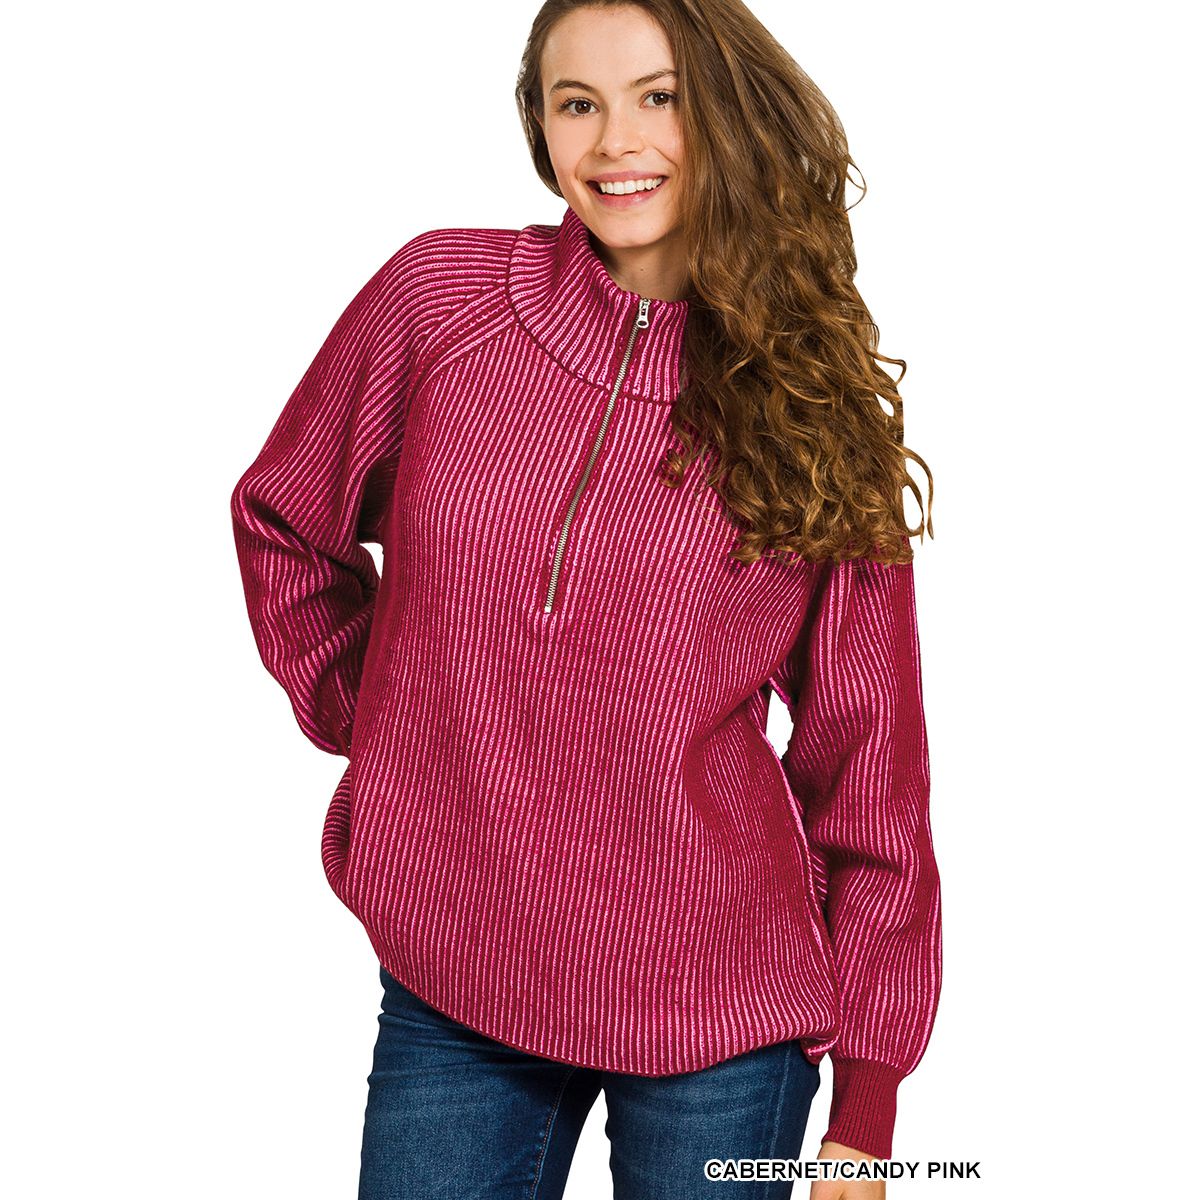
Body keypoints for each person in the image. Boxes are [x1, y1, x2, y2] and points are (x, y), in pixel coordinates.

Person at [229, 1, 942, 1197]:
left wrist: (868, 1105)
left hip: (719, 1008)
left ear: (727, 109)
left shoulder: (814, 401)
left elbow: (870, 764)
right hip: (458, 977)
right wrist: (397, 729)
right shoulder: (438, 301)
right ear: (539, 125)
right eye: (579, 103)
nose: (618, 141)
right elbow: (284, 521)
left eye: (660, 97)